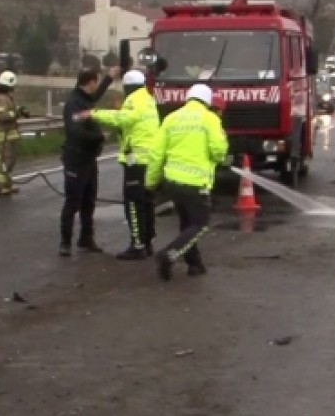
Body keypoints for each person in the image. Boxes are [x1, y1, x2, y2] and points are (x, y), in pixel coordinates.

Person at [146, 83, 228, 281]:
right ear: (207, 100)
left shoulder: (171, 118)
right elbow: (218, 151)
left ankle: (194, 264)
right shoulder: (210, 119)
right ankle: (169, 254)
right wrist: (221, 151)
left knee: (186, 223)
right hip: (196, 182)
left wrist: (151, 181)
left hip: (172, 182)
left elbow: (156, 153)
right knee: (200, 225)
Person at [79, 68, 160, 260]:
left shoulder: (133, 100)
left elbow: (124, 119)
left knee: (133, 203)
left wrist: (94, 114)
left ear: (128, 86)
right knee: (147, 202)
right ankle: (147, 242)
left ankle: (137, 245)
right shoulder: (148, 99)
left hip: (135, 160)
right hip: (149, 159)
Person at [58, 67, 114, 256]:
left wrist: (108, 79)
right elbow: (76, 131)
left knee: (89, 201)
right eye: (96, 82)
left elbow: (95, 96)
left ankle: (86, 238)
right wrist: (99, 137)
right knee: (73, 201)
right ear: (90, 82)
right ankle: (65, 242)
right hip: (76, 159)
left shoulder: (85, 99)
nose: (96, 86)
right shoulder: (74, 103)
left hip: (89, 159)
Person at [0, 71, 26, 195]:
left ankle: (7, 183)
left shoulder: (6, 97)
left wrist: (19, 111)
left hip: (8, 135)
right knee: (2, 161)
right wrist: (15, 114)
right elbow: (2, 116)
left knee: (9, 161)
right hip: (1, 136)